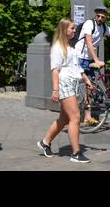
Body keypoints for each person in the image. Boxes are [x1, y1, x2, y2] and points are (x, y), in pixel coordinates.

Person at [39, 18, 90, 164]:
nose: (74, 31)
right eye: (72, 28)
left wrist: (86, 79)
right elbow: (55, 70)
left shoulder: (70, 46)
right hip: (65, 84)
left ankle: (45, 142)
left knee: (64, 119)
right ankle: (76, 153)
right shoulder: (57, 47)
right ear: (64, 30)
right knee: (75, 117)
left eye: (74, 28)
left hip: (73, 83)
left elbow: (77, 67)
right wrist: (55, 90)